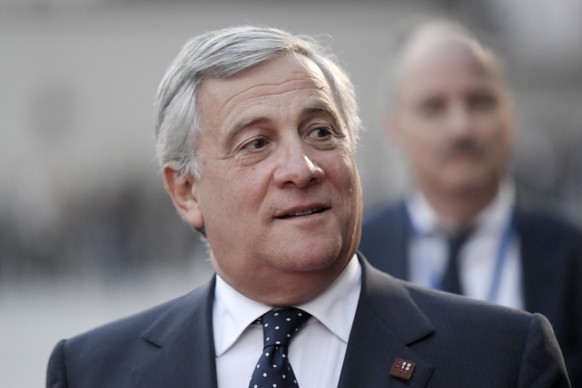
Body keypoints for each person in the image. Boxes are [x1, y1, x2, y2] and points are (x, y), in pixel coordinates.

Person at [46, 25, 571, 388]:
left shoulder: (502, 357)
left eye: (321, 132)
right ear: (186, 191)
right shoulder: (94, 370)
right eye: (256, 143)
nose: (302, 167)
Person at [359, 20, 582, 386]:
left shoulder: (571, 254)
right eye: (434, 107)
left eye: (480, 102)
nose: (461, 127)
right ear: (394, 126)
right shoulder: (356, 257)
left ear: (510, 113)